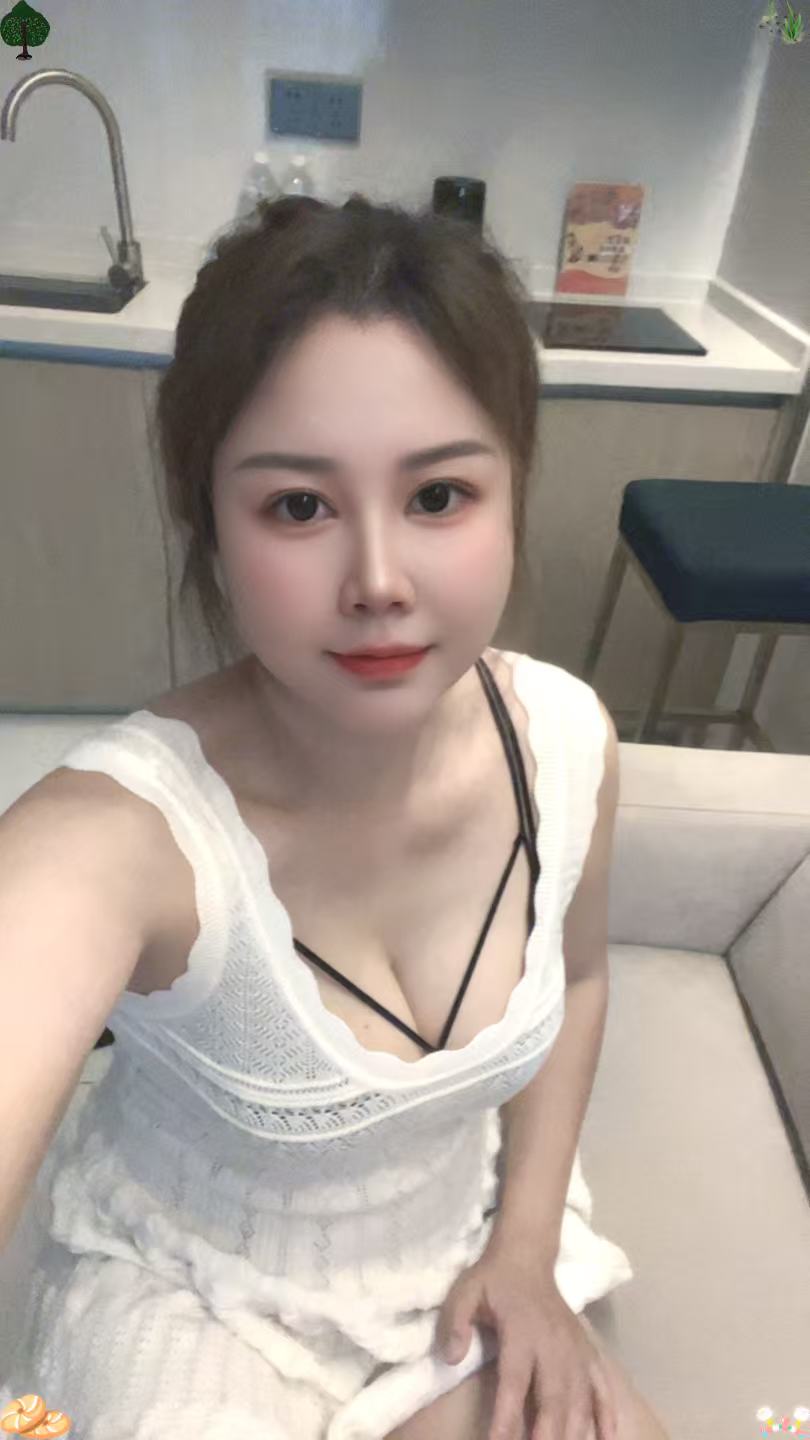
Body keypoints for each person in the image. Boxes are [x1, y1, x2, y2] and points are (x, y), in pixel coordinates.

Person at [0, 194, 670, 1439]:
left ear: (515, 494)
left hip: (456, 1254)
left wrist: (525, 1245)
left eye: (439, 496)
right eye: (299, 507)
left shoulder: (569, 745)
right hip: (194, 1296)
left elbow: (577, 982)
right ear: (211, 525)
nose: (378, 581)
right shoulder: (118, 837)